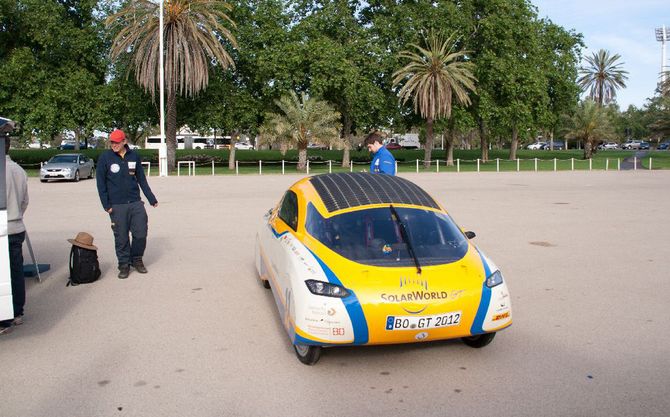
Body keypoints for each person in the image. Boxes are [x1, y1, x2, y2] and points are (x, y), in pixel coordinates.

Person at [96, 129, 158, 279]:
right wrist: (106, 205)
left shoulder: (134, 156)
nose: (114, 145)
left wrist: (151, 198)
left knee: (141, 233)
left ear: (124, 141)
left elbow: (141, 179)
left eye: (117, 142)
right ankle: (124, 265)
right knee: (121, 238)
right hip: (117, 205)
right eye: (112, 142)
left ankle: (137, 260)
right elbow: (101, 183)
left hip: (135, 202)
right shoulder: (105, 157)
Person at [1, 136, 28, 335]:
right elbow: (25, 201)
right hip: (17, 226)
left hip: (3, 227)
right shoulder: (19, 170)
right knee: (16, 272)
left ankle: (4, 317)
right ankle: (17, 311)